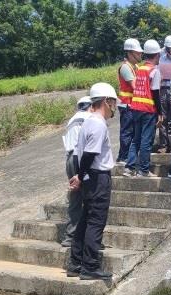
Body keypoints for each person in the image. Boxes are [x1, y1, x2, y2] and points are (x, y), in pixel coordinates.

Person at [67, 83, 118, 281]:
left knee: (85, 220)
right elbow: (90, 154)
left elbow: (85, 154)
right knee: (96, 221)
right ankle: (90, 266)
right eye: (113, 102)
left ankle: (75, 263)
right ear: (106, 101)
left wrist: (81, 175)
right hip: (97, 177)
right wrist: (80, 176)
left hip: (90, 176)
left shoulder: (88, 121)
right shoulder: (97, 123)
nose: (114, 106)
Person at [124, 39, 162, 177]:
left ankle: (129, 168)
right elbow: (156, 93)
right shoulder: (154, 71)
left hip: (136, 108)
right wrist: (160, 112)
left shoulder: (140, 69)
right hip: (148, 109)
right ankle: (144, 170)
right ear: (157, 55)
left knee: (136, 139)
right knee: (146, 140)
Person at [60, 95, 93, 248]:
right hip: (80, 158)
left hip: (69, 159)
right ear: (90, 106)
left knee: (75, 198)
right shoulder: (89, 118)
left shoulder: (72, 120)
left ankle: (70, 237)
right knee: (90, 197)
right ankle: (88, 237)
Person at [116, 38, 143, 165]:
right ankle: (123, 157)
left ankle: (128, 157)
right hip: (126, 104)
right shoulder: (125, 68)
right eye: (138, 53)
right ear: (130, 53)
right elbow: (135, 86)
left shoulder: (136, 66)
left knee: (133, 132)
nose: (140, 55)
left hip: (134, 104)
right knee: (127, 132)